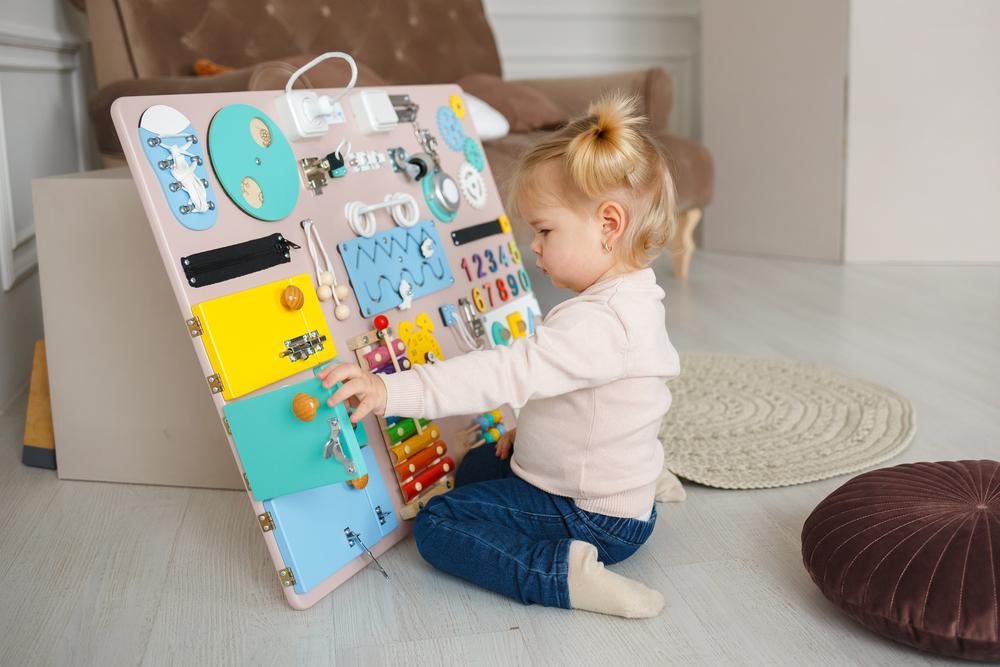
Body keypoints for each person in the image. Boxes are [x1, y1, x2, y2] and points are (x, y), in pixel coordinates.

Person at [319, 92, 684, 618]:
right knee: (476, 465)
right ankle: (641, 481)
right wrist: (535, 435)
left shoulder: (598, 323)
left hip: (592, 517)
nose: (533, 246)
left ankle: (562, 575)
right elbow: (607, 403)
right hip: (613, 490)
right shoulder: (634, 297)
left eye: (545, 230)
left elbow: (504, 372)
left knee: (439, 523)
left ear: (608, 224)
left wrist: (389, 390)